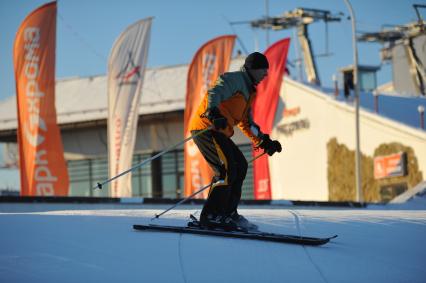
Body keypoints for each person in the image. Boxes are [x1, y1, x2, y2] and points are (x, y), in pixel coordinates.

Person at [189, 52, 282, 231]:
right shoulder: (235, 79)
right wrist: (213, 113)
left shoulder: (248, 91)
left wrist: (264, 141)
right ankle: (212, 215)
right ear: (252, 69)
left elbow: (246, 123)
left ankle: (228, 213)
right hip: (207, 127)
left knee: (240, 165)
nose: (265, 74)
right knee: (226, 170)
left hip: (221, 131)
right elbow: (215, 92)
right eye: (263, 69)